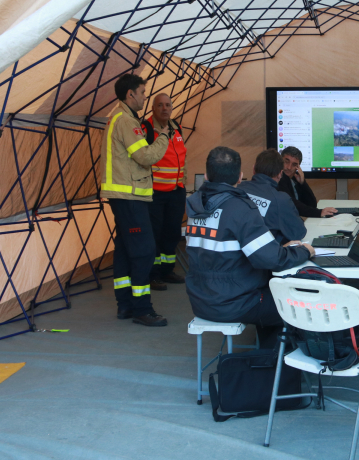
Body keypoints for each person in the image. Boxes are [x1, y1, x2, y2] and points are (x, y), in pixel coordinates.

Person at [185, 146, 314, 346]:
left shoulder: (194, 206)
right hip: (235, 302)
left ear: (205, 175)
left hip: (199, 300)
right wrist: (303, 251)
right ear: (240, 176)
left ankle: (267, 361)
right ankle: (273, 367)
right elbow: (273, 259)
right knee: (295, 303)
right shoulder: (240, 209)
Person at [100, 74, 171, 326]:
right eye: (142, 92)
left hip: (124, 196)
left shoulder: (118, 118)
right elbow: (145, 156)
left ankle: (125, 306)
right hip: (129, 196)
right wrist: (164, 135)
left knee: (124, 251)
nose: (144, 97)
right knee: (143, 251)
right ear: (130, 94)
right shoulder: (126, 121)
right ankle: (142, 309)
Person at [141, 93, 187, 291]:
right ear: (153, 108)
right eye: (160, 105)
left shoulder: (176, 127)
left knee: (172, 232)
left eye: (168, 105)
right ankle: (153, 274)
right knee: (154, 235)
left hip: (176, 190)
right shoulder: (146, 128)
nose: (165, 108)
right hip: (156, 192)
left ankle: (167, 270)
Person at [238, 149, 307, 244]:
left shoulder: (237, 189)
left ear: (253, 169)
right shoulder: (281, 199)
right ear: (280, 174)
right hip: (264, 254)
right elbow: (298, 232)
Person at [277, 146, 338, 218]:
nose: (289, 167)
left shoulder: (294, 179)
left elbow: (312, 204)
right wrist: (319, 213)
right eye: (286, 162)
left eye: (294, 164)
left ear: (298, 167)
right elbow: (292, 204)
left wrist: (303, 183)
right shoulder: (278, 179)